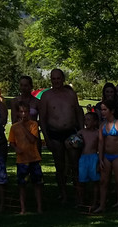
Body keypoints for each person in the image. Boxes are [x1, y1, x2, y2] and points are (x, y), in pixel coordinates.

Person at [38, 68, 84, 204]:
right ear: (51, 80)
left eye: (58, 78)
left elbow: (78, 112)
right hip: (54, 133)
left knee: (75, 164)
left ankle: (78, 194)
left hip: (71, 132)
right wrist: (46, 138)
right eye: (54, 78)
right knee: (60, 166)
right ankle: (63, 194)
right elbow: (42, 118)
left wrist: (82, 131)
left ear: (63, 79)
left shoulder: (70, 94)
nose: (56, 81)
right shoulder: (46, 96)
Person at [9, 101, 43, 214]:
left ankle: (39, 208)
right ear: (18, 113)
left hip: (34, 158)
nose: (24, 114)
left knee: (37, 184)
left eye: (26, 112)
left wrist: (23, 127)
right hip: (22, 160)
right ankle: (23, 208)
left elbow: (32, 139)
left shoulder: (33, 124)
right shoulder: (14, 127)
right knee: (22, 185)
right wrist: (15, 148)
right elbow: (11, 142)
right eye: (21, 112)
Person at [76, 111, 101, 208]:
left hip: (94, 157)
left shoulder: (97, 133)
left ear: (95, 122)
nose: (86, 122)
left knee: (95, 181)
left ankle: (95, 201)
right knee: (81, 181)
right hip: (83, 158)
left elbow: (100, 147)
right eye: (85, 120)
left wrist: (99, 161)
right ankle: (81, 201)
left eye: (89, 120)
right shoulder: (81, 132)